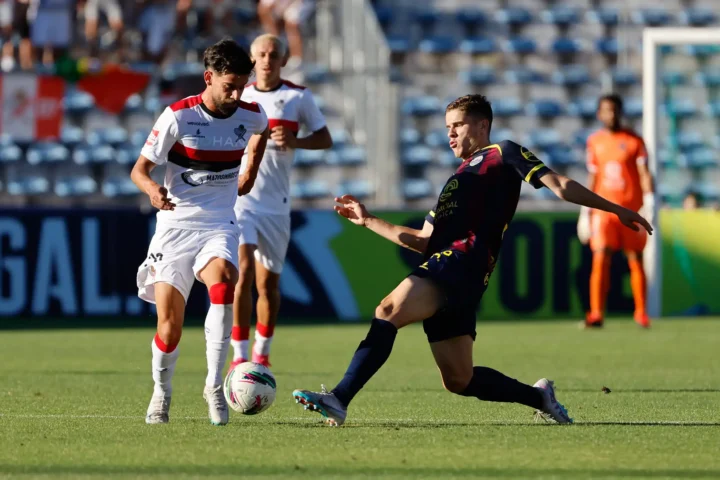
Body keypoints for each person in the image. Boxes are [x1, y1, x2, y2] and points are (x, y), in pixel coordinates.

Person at [292, 94, 653, 427]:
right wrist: (368, 220)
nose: (450, 134)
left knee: (388, 310)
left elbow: (558, 184)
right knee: (459, 380)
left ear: (482, 125)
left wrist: (615, 208)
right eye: (447, 127)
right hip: (455, 268)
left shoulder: (503, 152)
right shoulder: (455, 180)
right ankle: (539, 396)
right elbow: (422, 241)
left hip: (462, 262)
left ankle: (339, 398)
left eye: (457, 125)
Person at [131, 38, 269, 426]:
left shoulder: (249, 114)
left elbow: (263, 129)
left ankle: (213, 386)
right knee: (169, 328)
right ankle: (162, 392)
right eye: (230, 85)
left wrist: (250, 171)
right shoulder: (177, 117)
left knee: (225, 282)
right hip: (175, 227)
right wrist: (153, 189)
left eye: (243, 84)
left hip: (218, 223)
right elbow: (139, 170)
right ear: (209, 78)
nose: (237, 93)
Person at [229, 33, 332, 368]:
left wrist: (295, 141)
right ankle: (240, 355)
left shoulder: (297, 97)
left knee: (268, 283)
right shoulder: (239, 95)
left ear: (284, 60)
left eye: (274, 54)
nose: (268, 60)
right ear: (252, 58)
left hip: (276, 204)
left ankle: (262, 350)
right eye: (262, 54)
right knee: (241, 274)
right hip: (241, 200)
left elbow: (325, 138)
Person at [577, 94, 655, 329]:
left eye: (614, 110)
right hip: (604, 211)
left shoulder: (634, 141)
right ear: (600, 114)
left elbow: (644, 173)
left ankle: (641, 313)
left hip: (631, 209)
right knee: (600, 258)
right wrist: (585, 210)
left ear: (620, 112)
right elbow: (593, 176)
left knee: (636, 259)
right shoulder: (594, 141)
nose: (610, 115)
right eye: (606, 111)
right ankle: (596, 313)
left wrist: (649, 201)